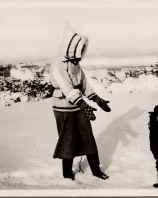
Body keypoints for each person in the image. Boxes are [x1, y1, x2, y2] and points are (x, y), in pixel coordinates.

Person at [50, 24, 111, 180]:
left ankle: (96, 170)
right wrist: (84, 104)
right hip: (63, 107)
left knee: (87, 137)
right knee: (68, 139)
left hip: (78, 106)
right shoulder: (57, 65)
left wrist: (96, 99)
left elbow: (84, 84)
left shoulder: (75, 65)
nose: (79, 57)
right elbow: (67, 88)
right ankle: (67, 174)